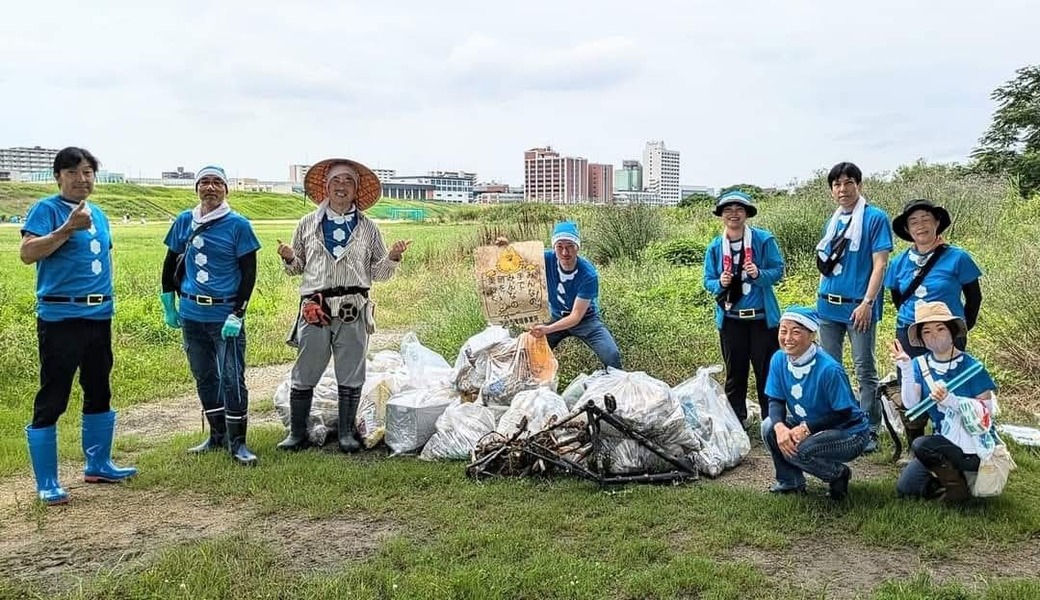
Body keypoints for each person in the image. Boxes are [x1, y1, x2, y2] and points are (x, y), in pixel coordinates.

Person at [19, 147, 137, 505]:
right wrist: (67, 229)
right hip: (60, 319)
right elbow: (27, 253)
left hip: (98, 317)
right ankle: (48, 482)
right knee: (53, 396)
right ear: (58, 177)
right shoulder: (47, 210)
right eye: (72, 172)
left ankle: (98, 464)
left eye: (87, 172)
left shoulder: (98, 213)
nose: (81, 179)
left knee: (99, 388)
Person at [275, 157, 410, 453]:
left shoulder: (368, 228)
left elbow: (377, 272)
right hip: (315, 307)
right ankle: (297, 433)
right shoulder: (307, 224)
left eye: (348, 181)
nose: (341, 186)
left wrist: (394, 257)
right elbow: (297, 267)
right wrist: (288, 257)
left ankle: (347, 433)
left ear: (356, 189)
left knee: (351, 370)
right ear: (325, 187)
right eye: (336, 180)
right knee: (306, 369)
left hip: (353, 307)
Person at [160, 166, 261, 466]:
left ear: (226, 189)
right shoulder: (183, 222)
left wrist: (238, 313)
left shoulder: (238, 225)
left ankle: (238, 442)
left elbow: (249, 273)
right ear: (197, 188)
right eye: (204, 182)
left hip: (224, 315)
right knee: (204, 375)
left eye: (217, 182)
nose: (211, 187)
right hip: (192, 314)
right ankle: (216, 435)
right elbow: (169, 264)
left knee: (231, 377)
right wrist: (169, 305)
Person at [883, 198, 983, 447]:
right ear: (907, 229)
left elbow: (974, 297)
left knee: (951, 385)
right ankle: (915, 445)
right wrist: (917, 326)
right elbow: (898, 296)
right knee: (910, 385)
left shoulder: (957, 257)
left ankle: (956, 441)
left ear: (937, 222)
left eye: (926, 219)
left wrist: (960, 328)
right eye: (913, 221)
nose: (920, 225)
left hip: (947, 332)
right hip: (910, 332)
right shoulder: (898, 263)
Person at [815, 162, 893, 453]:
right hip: (827, 306)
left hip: (857, 307)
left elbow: (880, 263)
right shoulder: (834, 220)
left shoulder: (874, 218)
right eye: (836, 185)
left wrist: (867, 302)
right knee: (831, 369)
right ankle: (845, 421)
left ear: (859, 185)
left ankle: (870, 427)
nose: (842, 189)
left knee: (864, 367)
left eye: (848, 183)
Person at [892, 301, 1000, 502]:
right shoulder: (919, 364)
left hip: (974, 444)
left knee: (920, 444)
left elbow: (987, 414)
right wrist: (905, 368)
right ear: (921, 339)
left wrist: (952, 401)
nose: (934, 336)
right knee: (906, 488)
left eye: (940, 328)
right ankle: (953, 481)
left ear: (952, 331)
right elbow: (911, 404)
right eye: (927, 332)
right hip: (942, 440)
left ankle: (955, 487)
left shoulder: (972, 367)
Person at [761, 306, 871, 500]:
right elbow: (775, 399)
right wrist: (780, 427)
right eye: (783, 331)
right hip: (810, 424)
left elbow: (844, 413)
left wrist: (806, 428)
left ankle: (838, 474)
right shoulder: (779, 359)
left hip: (849, 432)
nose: (787, 338)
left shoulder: (829, 369)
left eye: (796, 332)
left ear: (811, 334)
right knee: (769, 426)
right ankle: (790, 482)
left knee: (800, 451)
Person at [703, 190, 785, 425]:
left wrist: (759, 273)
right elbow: (707, 280)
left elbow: (778, 271)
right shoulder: (716, 247)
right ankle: (736, 422)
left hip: (761, 319)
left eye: (739, 209)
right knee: (735, 374)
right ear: (721, 215)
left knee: (766, 373)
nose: (733, 214)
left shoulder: (764, 240)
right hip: (731, 320)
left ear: (747, 213)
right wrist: (720, 282)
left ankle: (772, 422)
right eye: (728, 209)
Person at [529, 221, 622, 370]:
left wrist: (547, 329)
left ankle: (616, 387)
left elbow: (576, 316)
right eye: (560, 247)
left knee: (611, 355)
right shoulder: (546, 259)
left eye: (570, 246)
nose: (565, 252)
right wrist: (504, 247)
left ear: (577, 247)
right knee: (531, 351)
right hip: (557, 315)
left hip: (585, 319)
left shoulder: (588, 275)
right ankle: (537, 385)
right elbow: (518, 261)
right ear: (554, 247)